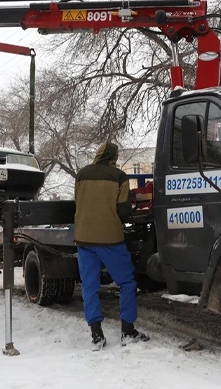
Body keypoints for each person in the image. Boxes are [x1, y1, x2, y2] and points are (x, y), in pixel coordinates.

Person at [73, 141, 149, 351]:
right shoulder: (119, 177)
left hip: (84, 239)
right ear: (114, 158)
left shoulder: (81, 174)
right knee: (126, 283)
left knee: (89, 286)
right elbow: (124, 210)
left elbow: (78, 203)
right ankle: (128, 331)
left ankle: (96, 336)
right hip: (109, 239)